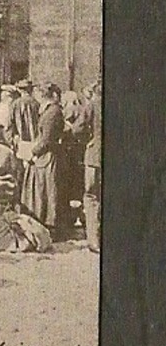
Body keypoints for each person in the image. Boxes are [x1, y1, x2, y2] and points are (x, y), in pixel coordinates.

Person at [19, 81, 65, 232]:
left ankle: (50, 225)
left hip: (47, 157)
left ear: (44, 95)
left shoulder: (52, 112)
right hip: (44, 155)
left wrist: (32, 152)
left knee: (47, 191)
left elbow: (46, 139)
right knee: (43, 190)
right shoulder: (49, 111)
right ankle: (45, 222)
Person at [82, 81, 101, 253]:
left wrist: (87, 141)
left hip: (95, 156)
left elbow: (79, 128)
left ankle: (94, 240)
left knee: (91, 196)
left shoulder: (93, 104)